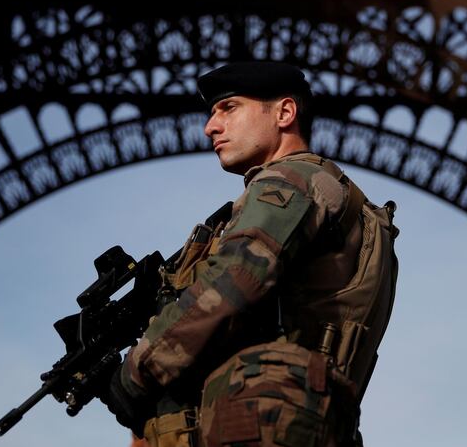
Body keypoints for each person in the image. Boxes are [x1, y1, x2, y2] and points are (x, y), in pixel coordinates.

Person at [103, 61, 399, 447]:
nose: (210, 126)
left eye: (229, 107)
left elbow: (234, 279)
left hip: (259, 421)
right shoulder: (345, 200)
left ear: (285, 113)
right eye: (212, 113)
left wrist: (136, 372)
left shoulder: (291, 181)